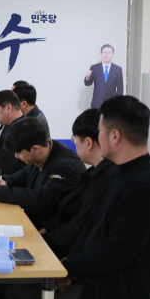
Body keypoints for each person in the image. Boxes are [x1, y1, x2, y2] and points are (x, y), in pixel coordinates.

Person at [3, 96, 150, 299]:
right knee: (19, 289)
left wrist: (70, 267)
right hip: (95, 278)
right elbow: (90, 227)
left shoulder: (145, 184)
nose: (97, 138)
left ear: (114, 136)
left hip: (114, 296)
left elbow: (115, 251)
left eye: (100, 131)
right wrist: (68, 266)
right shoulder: (119, 173)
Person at [0, 117, 85, 229]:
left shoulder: (66, 168)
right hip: (33, 220)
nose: (16, 156)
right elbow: (26, 173)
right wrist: (6, 181)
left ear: (35, 149)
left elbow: (41, 199)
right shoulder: (43, 152)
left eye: (18, 152)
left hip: (52, 231)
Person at [39, 108, 116, 259]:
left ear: (88, 142)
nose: (74, 144)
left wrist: (42, 241)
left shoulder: (105, 180)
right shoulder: (93, 173)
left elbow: (78, 227)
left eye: (75, 140)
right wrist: (41, 232)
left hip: (76, 254)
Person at [84, 44, 123, 109]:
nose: (106, 55)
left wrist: (119, 103)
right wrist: (87, 77)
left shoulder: (118, 69)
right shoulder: (94, 68)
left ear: (113, 55)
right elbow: (88, 83)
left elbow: (120, 88)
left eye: (109, 52)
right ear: (101, 54)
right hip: (97, 101)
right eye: (104, 52)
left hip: (112, 102)